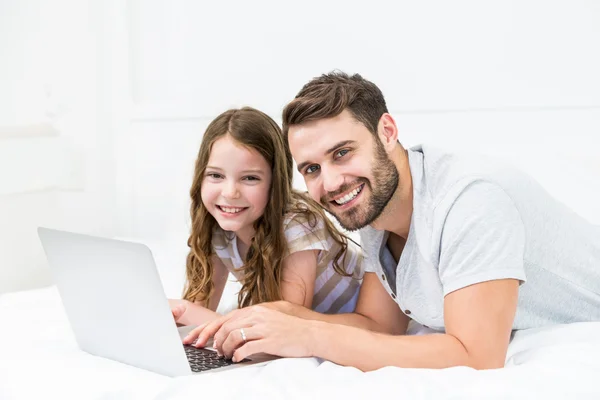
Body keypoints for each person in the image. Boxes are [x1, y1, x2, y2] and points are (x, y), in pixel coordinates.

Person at [184, 71, 600, 371]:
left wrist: (308, 337)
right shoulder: (371, 206)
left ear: (387, 131)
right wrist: (276, 316)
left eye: (342, 152)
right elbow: (378, 325)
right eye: (310, 169)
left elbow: (477, 356)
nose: (329, 182)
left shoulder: (470, 201)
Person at [169, 106, 364, 331]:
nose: (230, 192)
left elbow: (284, 326)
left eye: (250, 178)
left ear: (275, 183)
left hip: (357, 322)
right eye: (215, 175)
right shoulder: (218, 228)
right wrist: (182, 314)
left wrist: (186, 311)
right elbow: (196, 311)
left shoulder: (299, 226)